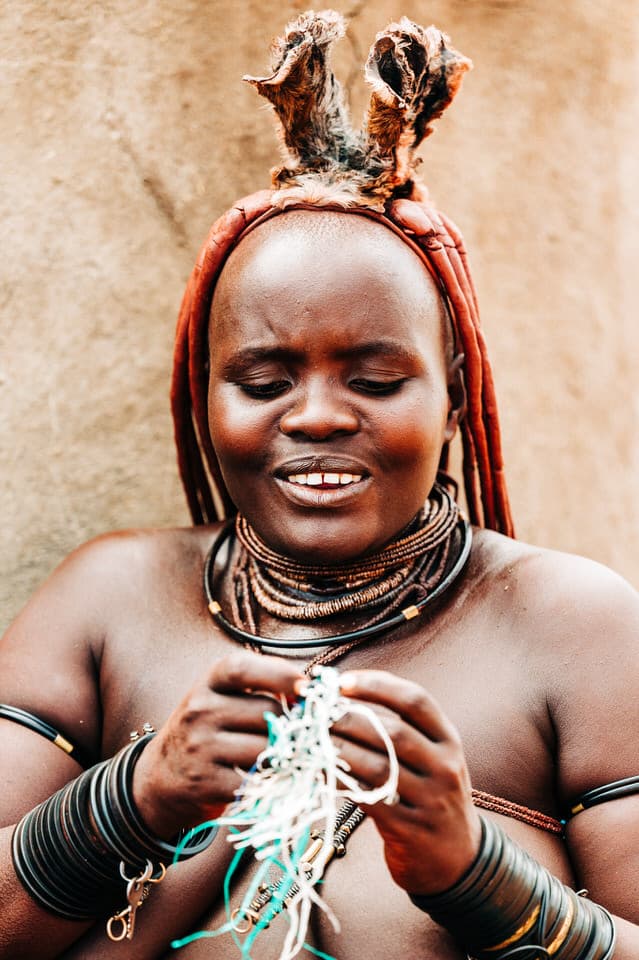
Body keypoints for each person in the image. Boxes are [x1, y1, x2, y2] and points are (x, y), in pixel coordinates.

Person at [0, 10, 637, 960]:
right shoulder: (109, 599)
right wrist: (129, 800)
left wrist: (474, 876)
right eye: (262, 383)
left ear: (455, 397)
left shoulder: (567, 623)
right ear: (203, 395)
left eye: (377, 382)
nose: (318, 417)